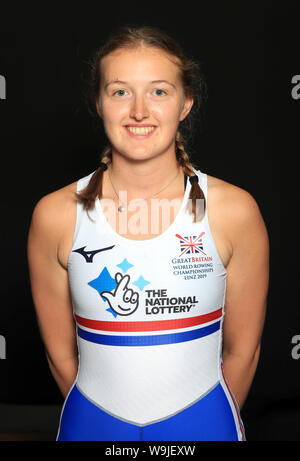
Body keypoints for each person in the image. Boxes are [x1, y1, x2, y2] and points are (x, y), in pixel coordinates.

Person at [27, 25, 269, 441]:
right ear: (99, 102)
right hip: (93, 425)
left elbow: (243, 352)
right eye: (120, 91)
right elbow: (60, 354)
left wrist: (201, 423)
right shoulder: (55, 215)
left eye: (159, 91)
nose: (139, 110)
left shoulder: (234, 211)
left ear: (186, 103)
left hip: (205, 425)